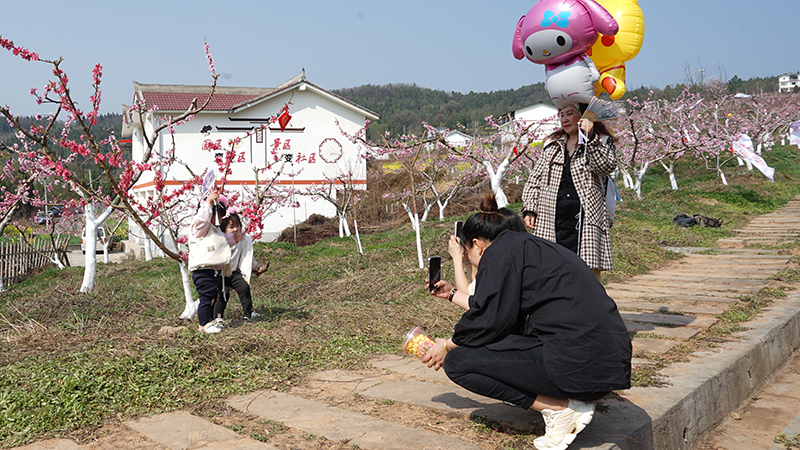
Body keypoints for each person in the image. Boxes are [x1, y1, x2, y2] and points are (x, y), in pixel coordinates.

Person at [426, 197, 631, 450]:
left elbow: (488, 319)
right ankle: (564, 402)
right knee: (495, 340)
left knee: (459, 363)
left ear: (477, 245)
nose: (469, 261)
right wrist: (451, 295)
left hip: (579, 368)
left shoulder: (499, 254)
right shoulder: (528, 247)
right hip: (603, 365)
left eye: (467, 254)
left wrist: (447, 346)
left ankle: (561, 410)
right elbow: (492, 309)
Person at [521, 102, 617, 280]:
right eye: (561, 114)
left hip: (585, 218)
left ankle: (590, 307)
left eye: (570, 113)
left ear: (585, 115)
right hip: (552, 217)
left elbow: (605, 167)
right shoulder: (553, 144)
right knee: (551, 270)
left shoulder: (601, 140)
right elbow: (536, 177)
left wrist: (590, 137)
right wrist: (530, 208)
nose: (564, 119)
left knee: (587, 273)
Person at [448, 206, 527, 300]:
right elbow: (475, 287)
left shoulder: (498, 267)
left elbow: (469, 300)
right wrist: (467, 261)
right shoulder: (525, 254)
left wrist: (457, 258)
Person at [188, 188, 232, 334]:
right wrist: (207, 204)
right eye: (215, 216)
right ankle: (203, 325)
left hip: (213, 271)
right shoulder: (200, 227)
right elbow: (202, 219)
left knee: (212, 297)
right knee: (206, 298)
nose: (217, 221)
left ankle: (210, 321)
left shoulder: (214, 229)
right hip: (203, 271)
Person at [213, 211, 262, 321]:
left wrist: (254, 267)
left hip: (233, 273)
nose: (235, 229)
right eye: (231, 227)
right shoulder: (221, 241)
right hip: (219, 274)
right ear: (223, 229)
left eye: (238, 226)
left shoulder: (242, 240)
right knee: (223, 294)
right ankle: (217, 317)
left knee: (244, 287)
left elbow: (248, 255)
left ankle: (248, 313)